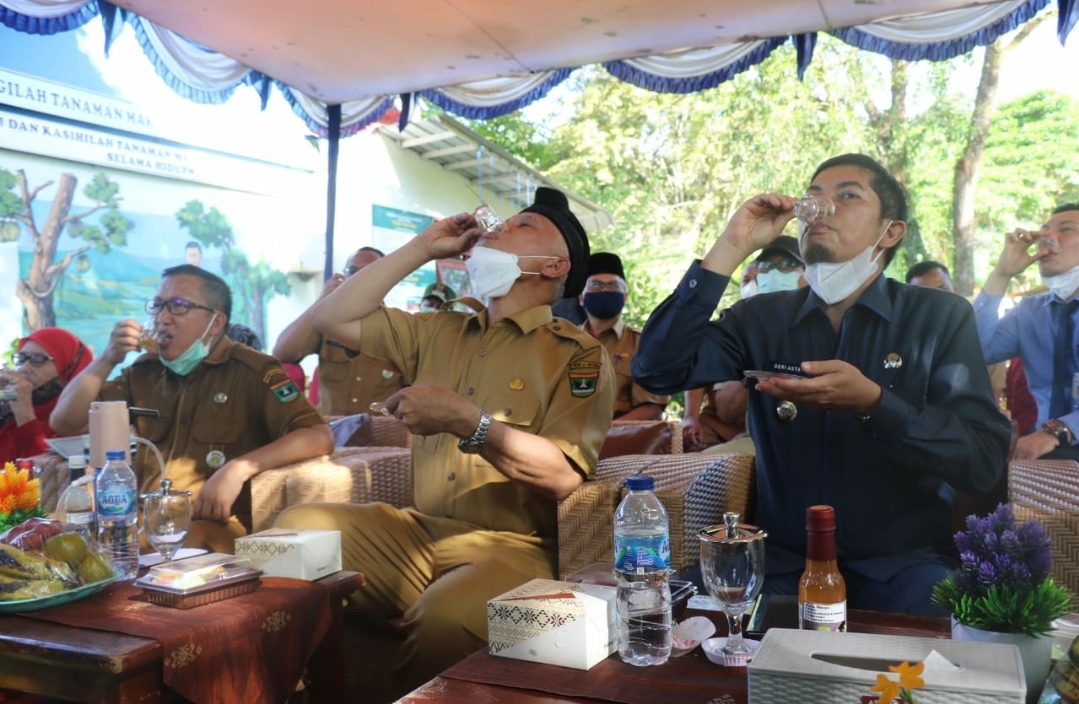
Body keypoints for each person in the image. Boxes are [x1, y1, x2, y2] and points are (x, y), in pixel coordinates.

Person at [633, 153, 1010, 616]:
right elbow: (657, 370)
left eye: (848, 195)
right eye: (813, 197)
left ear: (890, 231)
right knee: (664, 615)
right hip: (780, 566)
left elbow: (981, 461)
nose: (821, 208)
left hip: (904, 568)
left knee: (944, 639)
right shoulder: (760, 318)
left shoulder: (938, 316)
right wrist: (731, 246)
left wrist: (875, 404)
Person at [274, 187, 615, 696]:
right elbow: (331, 317)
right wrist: (422, 247)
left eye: (522, 225)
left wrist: (467, 421)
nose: (498, 227)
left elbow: (563, 476)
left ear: (552, 266)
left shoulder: (577, 354)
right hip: (416, 533)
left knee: (444, 617)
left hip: (515, 547)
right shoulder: (439, 330)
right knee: (292, 534)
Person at [51, 264, 333, 553]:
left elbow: (317, 435)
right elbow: (64, 421)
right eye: (158, 306)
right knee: (49, 537)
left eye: (178, 306)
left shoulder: (253, 371)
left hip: (210, 529)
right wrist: (108, 358)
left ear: (216, 322)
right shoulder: (145, 373)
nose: (162, 318)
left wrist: (238, 469)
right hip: (144, 524)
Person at [973, 204, 1079, 462]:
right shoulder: (1029, 312)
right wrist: (1002, 274)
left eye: (1066, 229)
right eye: (1045, 230)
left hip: (1049, 441)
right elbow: (974, 349)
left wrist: (1057, 431)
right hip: (1045, 451)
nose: (1047, 236)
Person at [683, 235, 805, 452]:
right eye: (767, 267)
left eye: (787, 265)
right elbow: (727, 409)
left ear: (810, 272)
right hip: (755, 442)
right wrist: (760, 371)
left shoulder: (836, 319)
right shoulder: (741, 327)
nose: (775, 273)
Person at [272, 246, 405, 417]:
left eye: (368, 272)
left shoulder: (399, 329)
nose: (358, 278)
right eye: (353, 271)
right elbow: (281, 354)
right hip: (331, 430)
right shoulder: (328, 323)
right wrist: (321, 301)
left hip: (380, 431)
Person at [579, 252, 669, 420]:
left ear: (625, 297)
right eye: (596, 285)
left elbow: (652, 409)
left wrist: (604, 432)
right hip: (562, 432)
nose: (605, 290)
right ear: (581, 298)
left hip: (619, 432)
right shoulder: (563, 341)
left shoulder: (643, 344)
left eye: (613, 286)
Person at [0, 328, 93, 461]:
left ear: (68, 369)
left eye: (37, 360)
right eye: (21, 359)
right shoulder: (9, 407)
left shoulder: (77, 419)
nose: (23, 368)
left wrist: (24, 413)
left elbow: (42, 468)